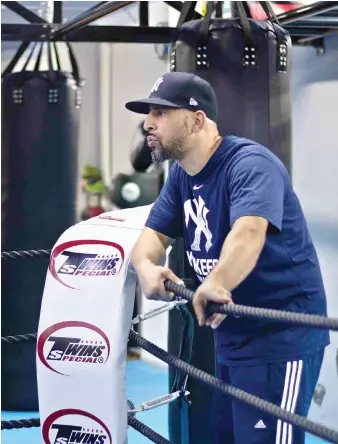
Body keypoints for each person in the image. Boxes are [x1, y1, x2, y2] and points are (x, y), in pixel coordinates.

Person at [124, 72, 330, 444]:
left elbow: (249, 231)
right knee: (227, 437)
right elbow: (153, 235)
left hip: (279, 336)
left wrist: (216, 282)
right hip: (233, 339)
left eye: (160, 112)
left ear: (197, 119)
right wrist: (145, 267)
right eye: (148, 113)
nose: (147, 123)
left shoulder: (249, 164)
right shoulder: (182, 176)